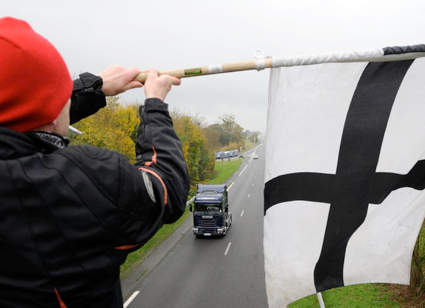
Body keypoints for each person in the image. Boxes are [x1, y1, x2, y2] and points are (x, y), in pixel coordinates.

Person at [0, 17, 190, 308]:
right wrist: (155, 105)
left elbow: (22, 114)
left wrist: (93, 88)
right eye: (64, 94)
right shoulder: (78, 183)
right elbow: (167, 186)